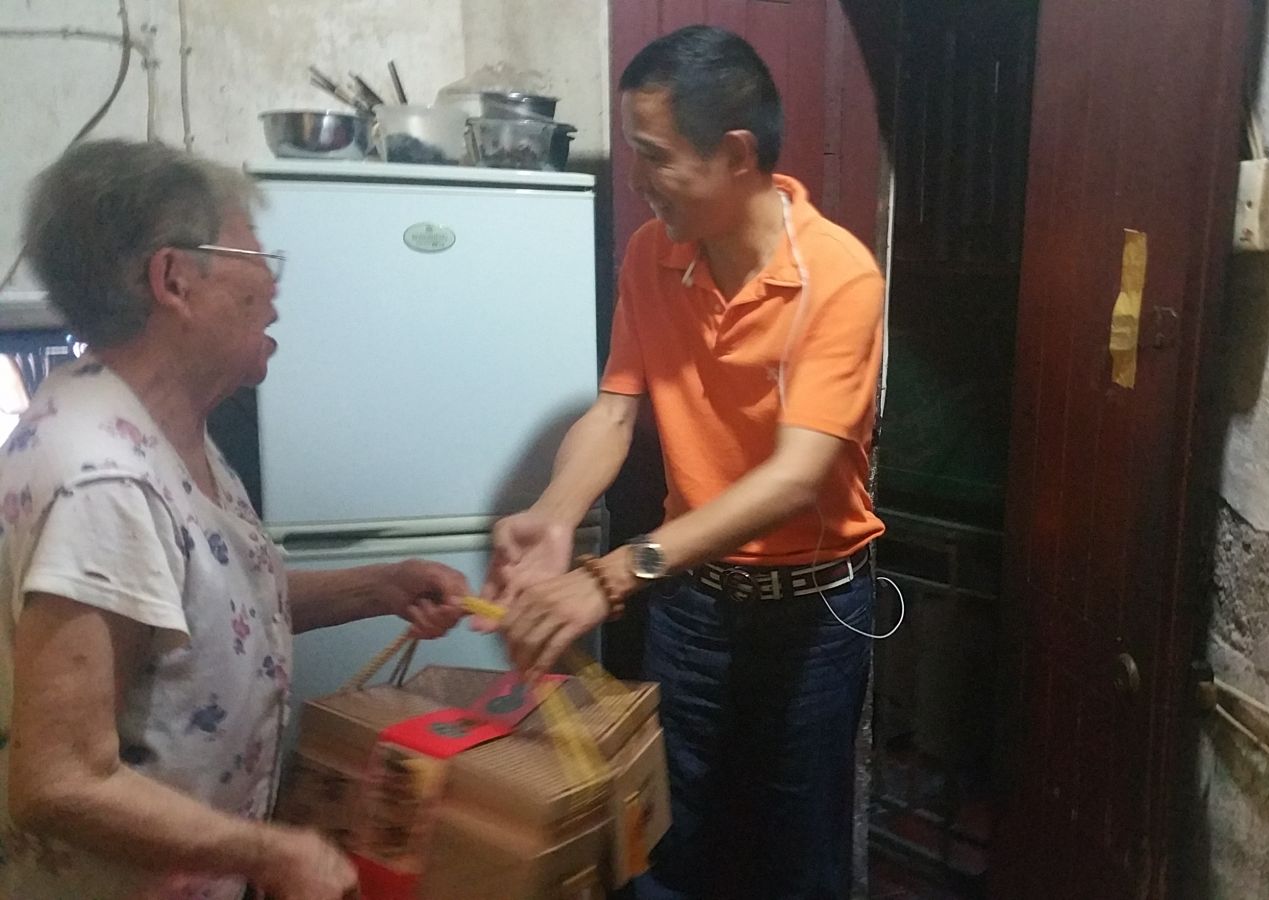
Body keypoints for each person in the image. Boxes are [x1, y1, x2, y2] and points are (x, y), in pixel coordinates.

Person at [0, 139, 467, 900]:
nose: (275, 291)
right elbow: (59, 780)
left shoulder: (159, 423)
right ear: (174, 280)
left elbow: (208, 610)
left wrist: (379, 587)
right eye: (257, 259)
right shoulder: (102, 480)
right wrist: (273, 854)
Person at [484, 25, 886, 900]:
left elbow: (795, 478)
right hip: (693, 608)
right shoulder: (650, 255)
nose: (635, 178)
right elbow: (614, 410)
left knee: (796, 859)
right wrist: (556, 515)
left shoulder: (839, 275)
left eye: (654, 155)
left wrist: (616, 571)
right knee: (663, 840)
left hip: (811, 614)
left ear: (736, 154)